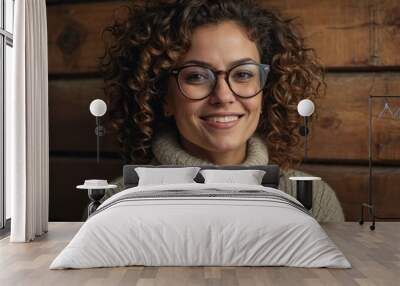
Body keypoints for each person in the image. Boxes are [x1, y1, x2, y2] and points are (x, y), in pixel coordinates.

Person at [99, 0, 345, 222]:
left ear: (265, 89)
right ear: (163, 96)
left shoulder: (314, 200)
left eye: (243, 74)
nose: (223, 96)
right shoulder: (114, 201)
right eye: (196, 76)